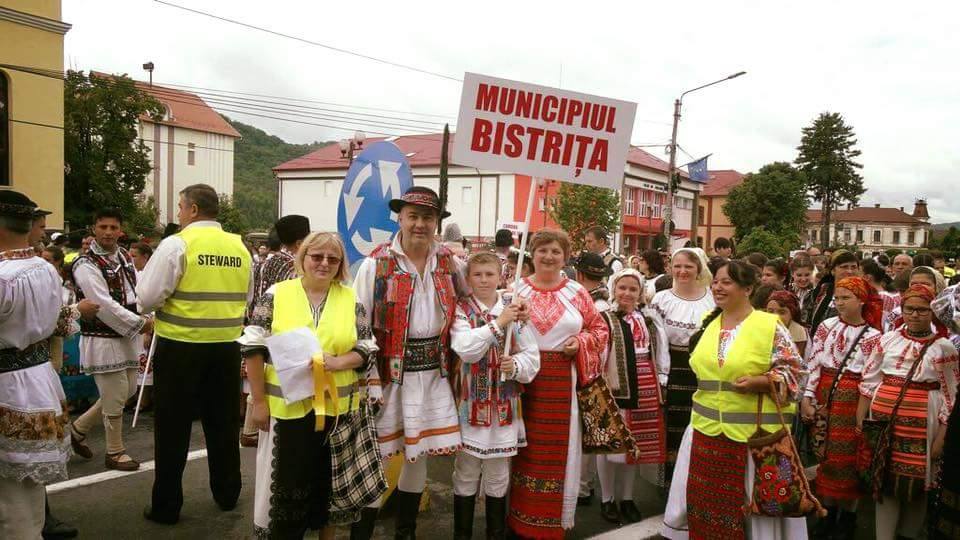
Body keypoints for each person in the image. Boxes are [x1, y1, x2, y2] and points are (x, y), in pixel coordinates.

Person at [239, 232, 381, 538]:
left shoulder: (350, 298)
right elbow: (252, 346)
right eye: (317, 256)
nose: (324, 263)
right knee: (286, 488)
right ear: (302, 258)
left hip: (338, 414)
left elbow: (367, 347)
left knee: (328, 488)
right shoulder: (277, 294)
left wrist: (337, 362)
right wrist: (259, 403)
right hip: (285, 412)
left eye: (333, 259)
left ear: (341, 264)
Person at [351, 186, 467, 539]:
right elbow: (358, 321)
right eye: (413, 216)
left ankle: (406, 532)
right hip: (388, 374)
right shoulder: (376, 264)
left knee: (419, 455)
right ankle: (361, 535)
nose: (420, 224)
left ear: (437, 222)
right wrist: (368, 377)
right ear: (399, 218)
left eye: (427, 217)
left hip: (434, 372)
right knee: (377, 456)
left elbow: (469, 303)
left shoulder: (450, 263)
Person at [662, 260, 807, 539]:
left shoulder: (769, 326)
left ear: (748, 288)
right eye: (715, 281)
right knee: (706, 506)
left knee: (751, 514)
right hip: (705, 434)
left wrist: (763, 381)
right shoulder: (709, 325)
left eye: (726, 282)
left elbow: (797, 374)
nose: (718, 287)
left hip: (754, 440)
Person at [137, 184, 252, 524]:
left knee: (172, 429)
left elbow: (146, 298)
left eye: (180, 206)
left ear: (193, 209)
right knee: (223, 424)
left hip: (181, 347)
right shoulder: (240, 247)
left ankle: (166, 506)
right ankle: (228, 493)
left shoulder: (178, 244)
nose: (179, 213)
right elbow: (245, 297)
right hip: (227, 347)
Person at [505, 229, 607, 539]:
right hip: (523, 382)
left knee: (557, 454)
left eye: (556, 251)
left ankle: (551, 521)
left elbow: (599, 330)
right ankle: (518, 518)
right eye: (543, 250)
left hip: (562, 384)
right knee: (520, 449)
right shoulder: (515, 289)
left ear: (566, 257)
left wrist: (580, 342)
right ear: (532, 254)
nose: (548, 256)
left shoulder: (577, 292)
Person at [450, 251, 539, 540]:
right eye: (477, 274)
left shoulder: (514, 309)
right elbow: (465, 348)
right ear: (468, 277)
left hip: (504, 405)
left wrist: (516, 366)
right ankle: (462, 534)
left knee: (499, 473)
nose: (484, 280)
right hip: (470, 404)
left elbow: (532, 356)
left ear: (500, 276)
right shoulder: (462, 309)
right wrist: (498, 323)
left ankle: (495, 533)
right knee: (466, 470)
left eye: (490, 274)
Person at [858, 284, 959, 540]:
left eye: (922, 310)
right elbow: (869, 379)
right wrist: (861, 419)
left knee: (917, 484)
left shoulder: (944, 348)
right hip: (883, 424)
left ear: (932, 312)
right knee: (884, 481)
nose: (914, 314)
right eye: (909, 309)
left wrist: (940, 439)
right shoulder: (887, 339)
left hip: (923, 425)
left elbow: (951, 396)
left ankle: (909, 535)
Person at [0, 191, 72, 539]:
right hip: (36, 380)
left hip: (9, 388)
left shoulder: (5, 277)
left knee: (12, 502)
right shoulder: (44, 268)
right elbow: (58, 321)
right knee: (24, 494)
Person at [68, 208, 151, 471]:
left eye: (113, 227)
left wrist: (146, 313)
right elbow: (101, 304)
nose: (108, 232)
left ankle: (77, 429)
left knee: (129, 390)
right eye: (103, 227)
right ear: (94, 228)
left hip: (126, 334)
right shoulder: (85, 263)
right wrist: (140, 323)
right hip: (102, 336)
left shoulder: (124, 255)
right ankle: (114, 451)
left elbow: (135, 290)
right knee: (115, 394)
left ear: (120, 230)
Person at [800, 277, 883, 539]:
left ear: (862, 300)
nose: (839, 302)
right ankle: (827, 513)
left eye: (846, 297)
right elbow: (814, 363)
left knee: (850, 460)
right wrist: (808, 397)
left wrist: (862, 414)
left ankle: (848, 517)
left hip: (852, 403)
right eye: (837, 297)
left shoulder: (873, 336)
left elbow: (870, 378)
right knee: (824, 456)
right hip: (825, 397)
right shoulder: (826, 326)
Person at [596, 269, 669, 525]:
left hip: (644, 381)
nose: (627, 293)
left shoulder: (648, 318)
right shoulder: (604, 317)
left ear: (640, 293)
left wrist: (662, 377)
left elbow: (660, 348)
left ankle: (627, 498)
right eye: (622, 288)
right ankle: (607, 498)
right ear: (613, 289)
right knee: (609, 444)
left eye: (633, 289)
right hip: (612, 384)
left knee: (635, 444)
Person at [241, 214, 311, 448]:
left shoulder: (269, 261)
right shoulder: (291, 263)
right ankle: (253, 429)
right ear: (300, 242)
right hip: (281, 326)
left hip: (264, 321)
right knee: (279, 379)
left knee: (263, 373)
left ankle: (250, 429)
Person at [649, 247, 715, 483]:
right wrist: (660, 375)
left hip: (703, 370)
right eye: (677, 266)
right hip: (671, 369)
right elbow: (655, 340)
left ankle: (697, 478)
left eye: (688, 266)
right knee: (671, 426)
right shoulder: (661, 299)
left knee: (699, 423)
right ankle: (670, 481)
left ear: (699, 268)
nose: (682, 271)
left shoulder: (711, 298)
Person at [571, 251, 612, 508]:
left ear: (579, 274)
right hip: (598, 371)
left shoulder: (591, 305)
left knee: (583, 430)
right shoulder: (605, 302)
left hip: (587, 370)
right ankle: (586, 483)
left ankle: (582, 486)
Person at [806, 250, 861, 337]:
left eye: (853, 267)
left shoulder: (864, 294)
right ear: (833, 271)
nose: (850, 271)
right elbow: (807, 321)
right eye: (844, 267)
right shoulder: (821, 291)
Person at [766, 290, 809, 357]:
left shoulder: (799, 333)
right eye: (771, 312)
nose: (775, 316)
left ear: (792, 314)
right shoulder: (760, 328)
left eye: (782, 312)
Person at [790, 256, 816, 322]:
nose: (803, 279)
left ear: (812, 273)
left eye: (807, 275)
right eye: (799, 275)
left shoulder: (817, 292)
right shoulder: (787, 291)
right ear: (792, 274)